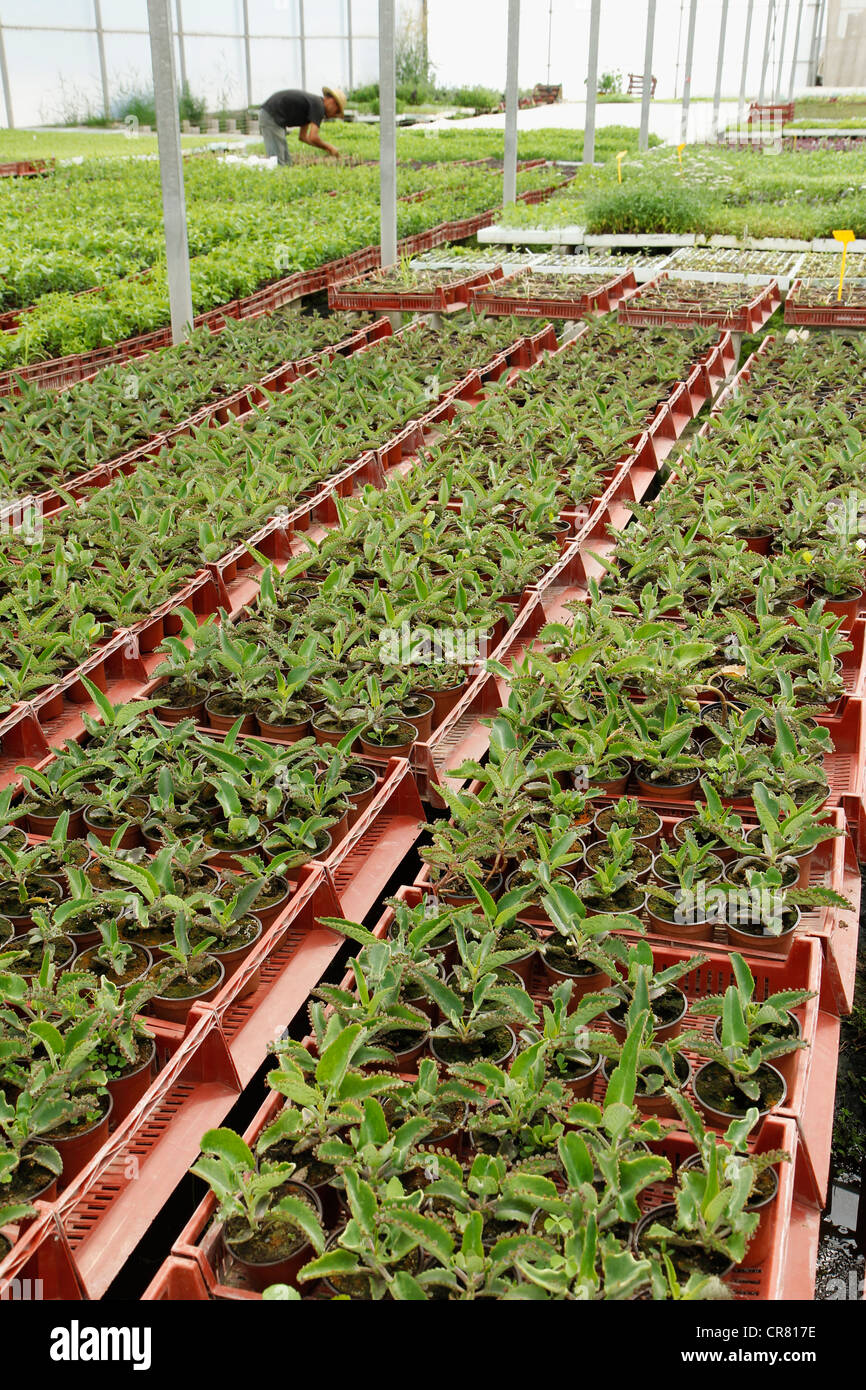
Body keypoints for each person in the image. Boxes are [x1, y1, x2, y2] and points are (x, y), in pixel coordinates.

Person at [258, 86, 346, 165]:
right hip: (271, 116)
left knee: (287, 162)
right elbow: (313, 137)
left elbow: (303, 137)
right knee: (277, 163)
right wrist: (330, 147)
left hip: (273, 117)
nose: (335, 115)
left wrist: (325, 149)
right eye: (337, 111)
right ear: (332, 102)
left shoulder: (313, 106)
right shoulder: (319, 106)